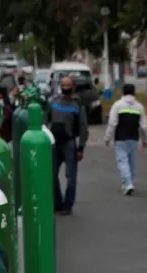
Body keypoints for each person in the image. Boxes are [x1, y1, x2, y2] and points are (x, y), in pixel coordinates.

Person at [49, 75, 88, 216]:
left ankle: (67, 205)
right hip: (54, 144)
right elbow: (46, 120)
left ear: (73, 87)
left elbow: (83, 128)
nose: (65, 87)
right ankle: (58, 203)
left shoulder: (77, 105)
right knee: (51, 175)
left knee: (71, 177)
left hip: (69, 145)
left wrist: (81, 148)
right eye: (63, 85)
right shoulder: (53, 101)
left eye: (68, 85)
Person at [104, 82, 147, 195]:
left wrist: (107, 138)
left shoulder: (117, 105)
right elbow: (144, 126)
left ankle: (128, 183)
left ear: (123, 92)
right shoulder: (139, 107)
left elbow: (112, 123)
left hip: (120, 138)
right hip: (133, 138)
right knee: (132, 162)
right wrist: (145, 140)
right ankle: (128, 183)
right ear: (134, 93)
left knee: (122, 162)